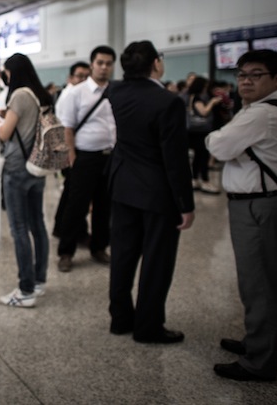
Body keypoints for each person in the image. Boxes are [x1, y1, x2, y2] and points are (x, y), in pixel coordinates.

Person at [206, 49, 277, 382]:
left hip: (258, 205)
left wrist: (220, 138)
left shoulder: (263, 115)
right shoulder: (259, 110)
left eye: (256, 74)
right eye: (241, 74)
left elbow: (218, 146)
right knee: (255, 279)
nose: (246, 81)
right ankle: (256, 342)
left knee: (260, 284)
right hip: (257, 202)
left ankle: (260, 361)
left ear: (275, 78)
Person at [105, 41, 195, 344]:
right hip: (157, 192)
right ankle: (148, 326)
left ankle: (120, 318)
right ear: (156, 63)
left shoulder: (115, 91)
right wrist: (186, 203)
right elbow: (175, 158)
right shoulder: (168, 101)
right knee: (156, 261)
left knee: (122, 255)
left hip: (122, 185)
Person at [0, 53, 52, 308]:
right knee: (38, 225)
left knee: (19, 229)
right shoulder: (38, 94)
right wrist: (5, 112)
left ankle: (25, 290)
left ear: (13, 72)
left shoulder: (19, 94)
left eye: (5, 72)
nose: (4, 77)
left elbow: (4, 133)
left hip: (16, 169)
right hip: (36, 167)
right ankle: (39, 281)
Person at [55, 46, 117, 272]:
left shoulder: (115, 90)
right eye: (100, 62)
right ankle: (66, 252)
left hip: (109, 156)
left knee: (104, 205)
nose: (104, 67)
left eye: (108, 63)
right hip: (84, 157)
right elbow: (67, 127)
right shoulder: (76, 92)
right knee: (77, 206)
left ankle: (99, 247)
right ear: (92, 64)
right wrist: (72, 156)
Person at [52, 61, 90, 239]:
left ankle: (62, 226)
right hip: (68, 151)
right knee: (74, 194)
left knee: (70, 192)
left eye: (85, 76)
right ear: (70, 78)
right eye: (79, 76)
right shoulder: (70, 95)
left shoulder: (79, 94)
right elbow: (65, 128)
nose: (83, 80)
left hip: (68, 150)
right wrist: (69, 155)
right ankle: (69, 229)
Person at [185, 76, 221, 194]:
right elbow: (204, 112)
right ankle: (205, 180)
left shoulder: (190, 97)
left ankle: (195, 179)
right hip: (199, 132)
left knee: (198, 157)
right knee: (202, 156)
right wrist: (212, 102)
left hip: (194, 131)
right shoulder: (197, 98)